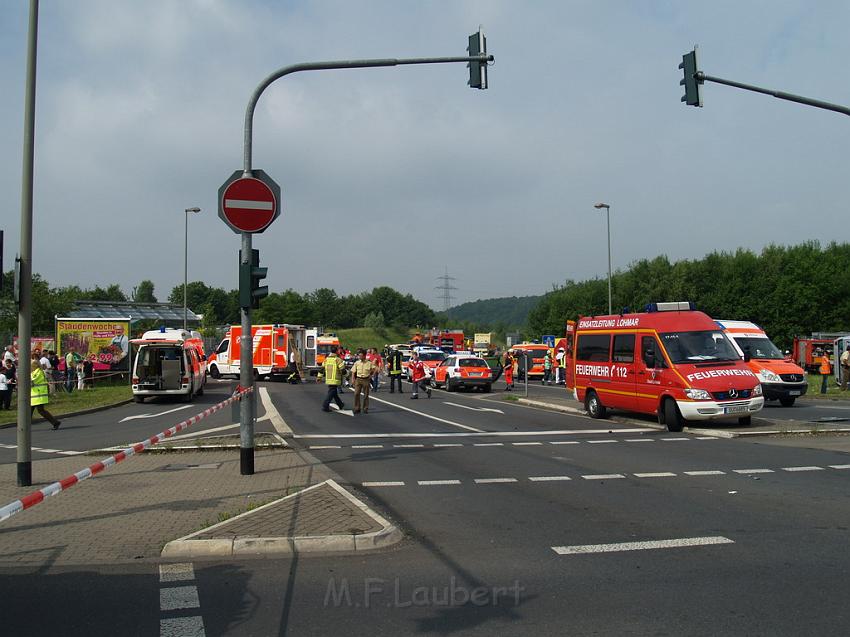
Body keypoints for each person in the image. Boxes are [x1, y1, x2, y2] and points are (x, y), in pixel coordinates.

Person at [30, 351, 61, 429]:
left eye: (31, 365)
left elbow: (31, 381)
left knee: (41, 411)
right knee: (30, 411)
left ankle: (55, 422)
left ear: (34, 366)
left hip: (39, 394)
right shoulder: (35, 372)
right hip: (35, 394)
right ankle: (25, 425)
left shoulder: (38, 372)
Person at [350, 349, 378, 413]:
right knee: (356, 394)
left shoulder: (369, 363)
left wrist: (371, 375)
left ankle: (365, 408)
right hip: (358, 379)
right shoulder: (357, 363)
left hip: (366, 379)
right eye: (359, 356)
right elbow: (353, 371)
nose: (360, 357)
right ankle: (357, 408)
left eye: (361, 356)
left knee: (366, 395)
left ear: (364, 356)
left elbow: (375, 369)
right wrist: (353, 379)